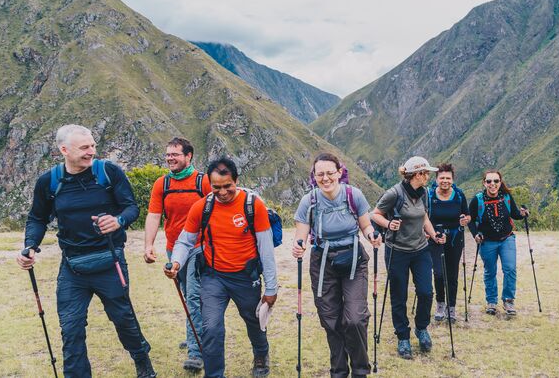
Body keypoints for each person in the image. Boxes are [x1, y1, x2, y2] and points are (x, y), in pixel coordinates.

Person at [16, 124, 155, 378]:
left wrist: (118, 221)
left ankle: (141, 360)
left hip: (110, 261)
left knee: (123, 319)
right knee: (71, 329)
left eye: (93, 145)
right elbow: (37, 218)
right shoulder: (50, 181)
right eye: (85, 148)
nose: (92, 151)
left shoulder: (108, 172)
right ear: (64, 150)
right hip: (72, 267)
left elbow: (131, 207)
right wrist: (30, 246)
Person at [165, 157, 277, 378]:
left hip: (246, 277)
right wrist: (176, 262)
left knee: (253, 320)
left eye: (228, 186)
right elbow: (185, 241)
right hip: (213, 277)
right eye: (217, 188)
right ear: (210, 184)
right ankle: (214, 374)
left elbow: (266, 250)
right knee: (212, 328)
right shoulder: (202, 207)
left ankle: (261, 355)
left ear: (236, 180)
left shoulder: (253, 205)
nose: (223, 192)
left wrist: (271, 289)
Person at [292, 153, 382, 378]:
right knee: (330, 320)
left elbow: (365, 225)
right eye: (320, 174)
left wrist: (372, 235)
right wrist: (299, 246)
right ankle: (339, 372)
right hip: (323, 264)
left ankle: (360, 370)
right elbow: (301, 234)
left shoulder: (353, 195)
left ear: (339, 173)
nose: (325, 178)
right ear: (314, 176)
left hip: (353, 260)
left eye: (329, 173)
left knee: (354, 319)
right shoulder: (309, 201)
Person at [143, 137, 210, 372]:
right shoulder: (162, 184)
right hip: (174, 248)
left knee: (193, 296)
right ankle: (194, 333)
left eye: (175, 154)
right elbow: (154, 215)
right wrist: (148, 245)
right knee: (185, 294)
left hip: (199, 248)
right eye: (168, 154)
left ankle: (196, 351)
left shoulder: (203, 181)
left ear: (188, 156)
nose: (170, 158)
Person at [371, 156, 445, 359]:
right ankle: (403, 336)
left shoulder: (425, 194)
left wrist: (434, 235)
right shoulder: (394, 193)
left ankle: (421, 328)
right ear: (417, 174)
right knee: (399, 296)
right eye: (426, 173)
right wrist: (388, 225)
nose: (428, 176)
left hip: (420, 249)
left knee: (426, 292)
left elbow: (424, 217)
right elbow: (375, 214)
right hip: (397, 251)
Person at [468, 170, 528, 317]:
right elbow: (470, 220)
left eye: (496, 181)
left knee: (510, 269)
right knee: (490, 271)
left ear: (500, 182)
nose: (492, 184)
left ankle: (508, 300)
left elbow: (515, 214)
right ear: (484, 183)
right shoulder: (478, 200)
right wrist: (476, 234)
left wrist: (523, 213)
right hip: (487, 242)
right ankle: (491, 302)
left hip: (507, 238)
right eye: (489, 181)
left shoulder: (506, 197)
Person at [427, 163, 470, 321]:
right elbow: (424, 216)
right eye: (442, 177)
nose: (445, 180)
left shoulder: (459, 195)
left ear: (452, 179)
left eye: (448, 178)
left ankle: (451, 308)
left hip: (454, 239)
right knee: (438, 274)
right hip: (435, 239)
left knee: (452, 275)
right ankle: (440, 304)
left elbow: (467, 214)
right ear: (436, 179)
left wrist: (465, 220)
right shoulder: (430, 195)